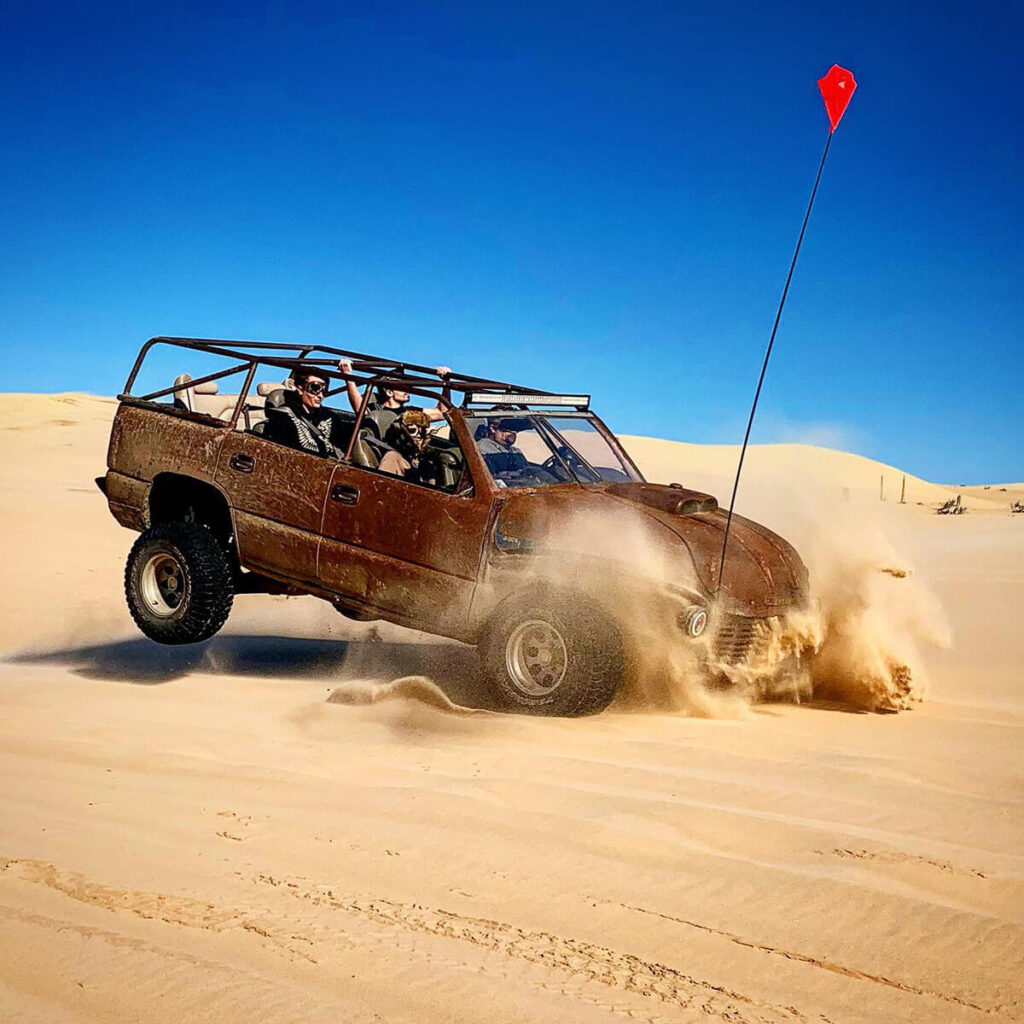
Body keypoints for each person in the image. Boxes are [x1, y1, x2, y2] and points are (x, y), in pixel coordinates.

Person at [337, 360, 452, 436]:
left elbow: (442, 412)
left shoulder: (410, 412)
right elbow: (359, 407)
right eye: (402, 387)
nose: (408, 390)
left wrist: (446, 382)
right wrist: (348, 374)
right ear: (389, 392)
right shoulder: (375, 409)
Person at [262, 367, 349, 457]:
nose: (320, 396)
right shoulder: (282, 418)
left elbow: (349, 447)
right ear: (299, 389)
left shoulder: (331, 418)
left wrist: (348, 376)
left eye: (324, 390)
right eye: (315, 388)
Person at [377, 409, 433, 481]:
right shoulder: (393, 458)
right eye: (412, 430)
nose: (419, 436)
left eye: (422, 433)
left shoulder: (425, 463)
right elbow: (380, 485)